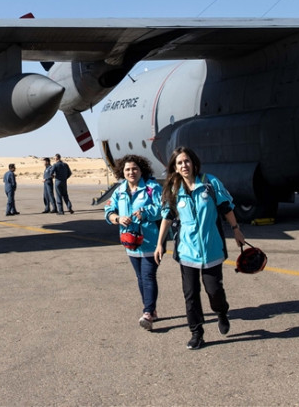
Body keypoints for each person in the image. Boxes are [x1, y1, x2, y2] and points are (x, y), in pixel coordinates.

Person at [153, 146, 245, 350]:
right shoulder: (173, 189)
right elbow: (167, 217)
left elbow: (226, 208)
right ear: (175, 168)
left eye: (186, 161)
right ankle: (197, 332)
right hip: (186, 250)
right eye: (179, 163)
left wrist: (236, 230)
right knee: (190, 294)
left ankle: (221, 312)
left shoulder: (210, 183)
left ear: (194, 162)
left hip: (211, 248)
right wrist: (160, 244)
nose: (184, 165)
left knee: (214, 291)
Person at [104, 155, 163, 331]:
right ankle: (151, 309)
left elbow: (163, 209)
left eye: (135, 169)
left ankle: (147, 312)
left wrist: (145, 212)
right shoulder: (119, 191)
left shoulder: (153, 188)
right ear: (122, 171)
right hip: (130, 242)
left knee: (148, 276)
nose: (131, 172)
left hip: (150, 241)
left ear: (141, 170)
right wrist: (116, 218)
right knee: (140, 277)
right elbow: (108, 210)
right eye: (128, 169)